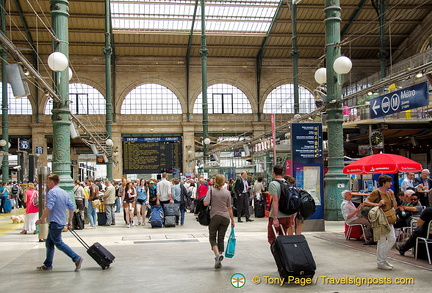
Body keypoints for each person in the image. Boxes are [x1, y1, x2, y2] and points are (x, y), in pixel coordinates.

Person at [35, 174, 83, 271]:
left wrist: (41, 219)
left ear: (52, 182)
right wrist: (69, 221)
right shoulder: (64, 193)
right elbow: (71, 208)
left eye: (48, 182)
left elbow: (49, 207)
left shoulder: (52, 192)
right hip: (61, 221)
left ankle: (76, 258)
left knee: (58, 243)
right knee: (49, 243)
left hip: (55, 222)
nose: (47, 184)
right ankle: (48, 264)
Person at [364, 175, 397, 270]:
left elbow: (394, 205)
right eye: (389, 182)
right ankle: (381, 261)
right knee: (382, 240)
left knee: (392, 239)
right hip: (381, 218)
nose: (391, 183)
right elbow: (366, 202)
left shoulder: (388, 193)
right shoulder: (376, 192)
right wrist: (378, 204)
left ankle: (383, 259)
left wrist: (393, 196)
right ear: (384, 182)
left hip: (389, 218)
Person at [203, 174, 235, 269]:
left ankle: (217, 255)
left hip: (215, 216)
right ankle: (219, 260)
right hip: (225, 217)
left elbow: (205, 203)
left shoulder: (211, 191)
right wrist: (232, 220)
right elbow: (229, 208)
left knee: (212, 237)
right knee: (221, 238)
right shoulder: (227, 193)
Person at [267, 164, 295, 244]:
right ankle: (283, 255)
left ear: (273, 172)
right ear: (283, 172)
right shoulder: (288, 183)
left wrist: (275, 218)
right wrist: (292, 217)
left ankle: (279, 256)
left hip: (277, 216)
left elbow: (275, 201)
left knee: (271, 239)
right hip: (287, 216)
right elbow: (291, 201)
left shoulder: (273, 184)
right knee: (283, 238)